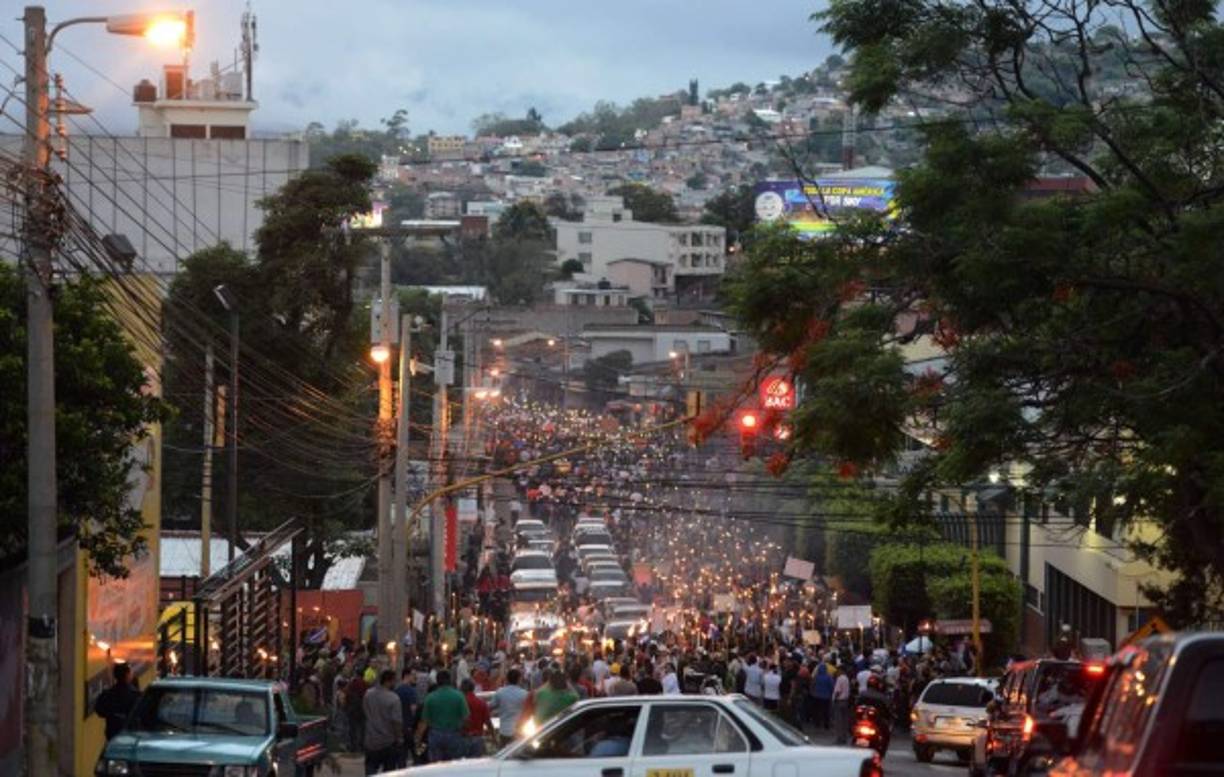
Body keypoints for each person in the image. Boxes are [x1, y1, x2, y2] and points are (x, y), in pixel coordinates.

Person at [416, 670, 469, 763]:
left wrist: (419, 740)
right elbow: (466, 718)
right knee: (454, 765)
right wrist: (462, 729)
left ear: (437, 681)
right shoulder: (459, 696)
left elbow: (424, 722)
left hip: (435, 735)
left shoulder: (430, 697)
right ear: (450, 680)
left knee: (436, 766)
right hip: (454, 734)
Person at [363, 670, 404, 774]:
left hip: (371, 739)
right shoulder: (394, 698)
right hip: (388, 741)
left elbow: (365, 711)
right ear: (388, 681)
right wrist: (399, 738)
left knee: (371, 768)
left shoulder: (368, 694)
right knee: (389, 771)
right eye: (393, 681)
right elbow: (396, 721)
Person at [94, 663, 141, 740]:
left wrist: (112, 715)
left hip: (113, 735)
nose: (132, 675)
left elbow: (99, 710)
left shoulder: (108, 694)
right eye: (130, 673)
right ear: (127, 675)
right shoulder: (135, 695)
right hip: (130, 735)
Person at [488, 667, 529, 746]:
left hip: (504, 731)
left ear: (507, 679)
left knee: (504, 755)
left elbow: (489, 707)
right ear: (519, 679)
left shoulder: (500, 692)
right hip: (519, 732)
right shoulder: (525, 694)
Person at [460, 678, 494, 757]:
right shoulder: (481, 702)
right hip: (478, 739)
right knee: (476, 766)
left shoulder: (459, 702)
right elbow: (488, 722)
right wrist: (493, 737)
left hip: (462, 738)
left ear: (461, 688)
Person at [394, 668, 419, 767]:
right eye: (413, 675)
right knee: (417, 752)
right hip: (410, 726)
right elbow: (413, 709)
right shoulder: (411, 691)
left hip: (399, 726)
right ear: (407, 676)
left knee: (402, 754)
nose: (415, 678)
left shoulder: (397, 690)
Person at [810, 661, 834, 730]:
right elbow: (831, 686)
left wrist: (812, 692)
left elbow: (812, 685)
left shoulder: (816, 677)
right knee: (826, 711)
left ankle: (817, 723)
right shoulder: (829, 677)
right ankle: (826, 724)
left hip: (817, 696)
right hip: (826, 697)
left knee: (817, 710)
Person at [832, 666, 852, 744]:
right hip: (845, 701)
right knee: (844, 721)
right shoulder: (846, 678)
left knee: (838, 721)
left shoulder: (840, 678)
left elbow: (837, 691)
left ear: (841, 670)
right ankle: (844, 737)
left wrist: (834, 699)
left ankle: (839, 738)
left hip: (839, 701)